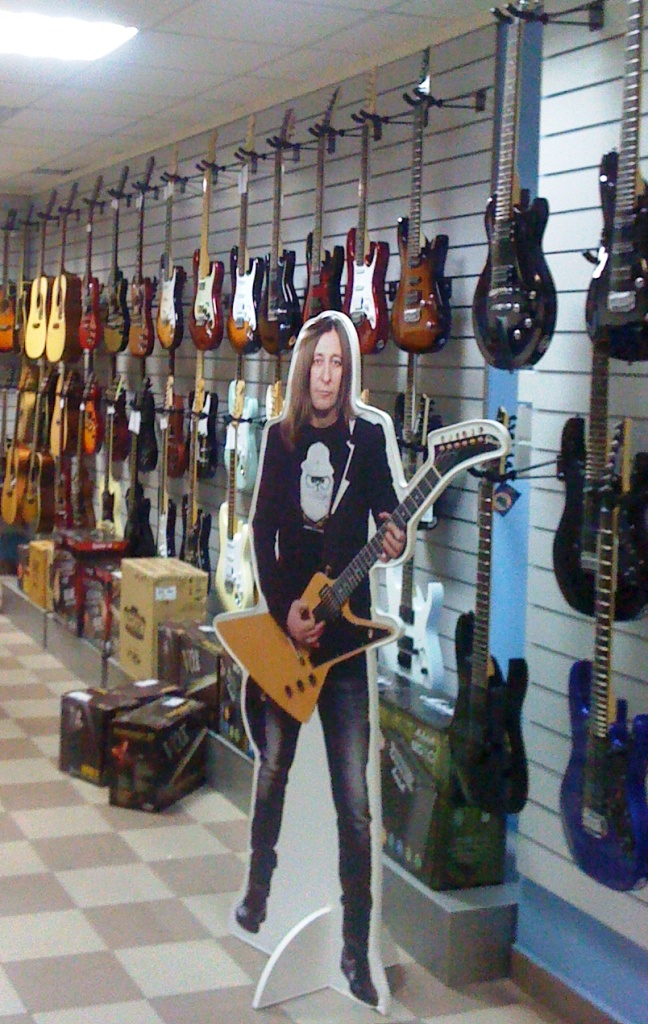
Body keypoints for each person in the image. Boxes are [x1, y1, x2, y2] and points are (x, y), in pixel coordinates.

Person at [235, 313, 405, 1007]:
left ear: (348, 370)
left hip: (346, 644)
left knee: (355, 806)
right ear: (305, 369)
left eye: (339, 362)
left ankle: (354, 951)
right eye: (320, 362)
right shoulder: (282, 442)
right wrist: (285, 612)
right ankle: (258, 893)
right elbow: (262, 531)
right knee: (272, 772)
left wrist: (394, 537)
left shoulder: (370, 441)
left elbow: (391, 513)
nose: (328, 375)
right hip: (289, 636)